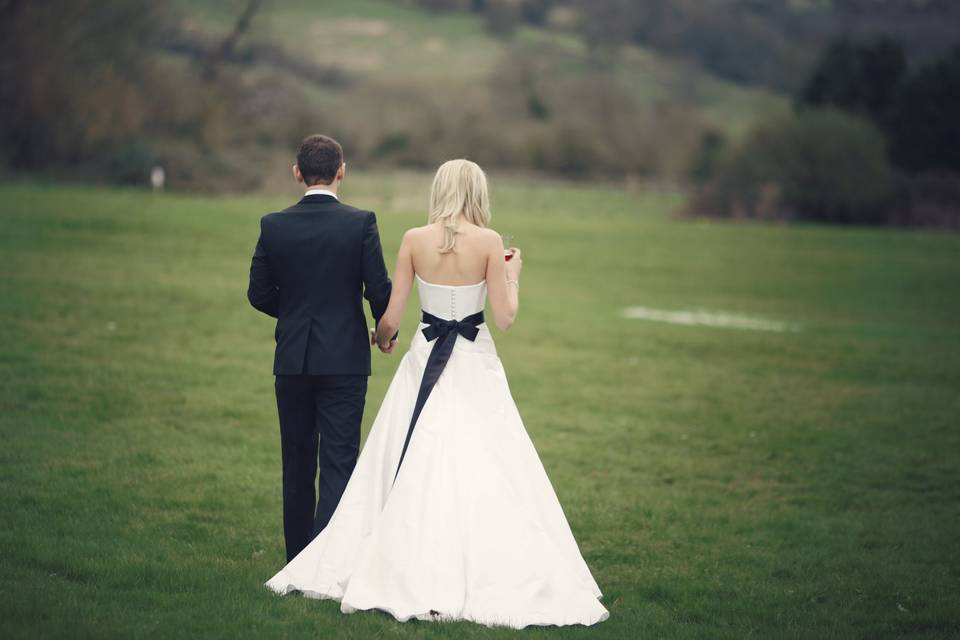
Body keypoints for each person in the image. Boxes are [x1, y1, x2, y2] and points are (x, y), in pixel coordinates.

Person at [265, 159, 608, 629]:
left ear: (439, 190)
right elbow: (505, 319)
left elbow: (392, 316)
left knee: (409, 458)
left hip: (423, 358)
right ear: (478, 193)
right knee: (486, 458)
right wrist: (512, 274)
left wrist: (382, 337)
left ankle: (393, 557)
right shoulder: (491, 243)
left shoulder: (413, 239)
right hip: (474, 362)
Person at [247, 134, 394, 563]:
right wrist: (382, 331)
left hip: (292, 360)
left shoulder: (273, 225)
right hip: (345, 359)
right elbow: (379, 290)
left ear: (297, 173)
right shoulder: (360, 222)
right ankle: (326, 562)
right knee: (338, 461)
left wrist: (293, 316)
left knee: (296, 463)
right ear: (342, 170)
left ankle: (297, 559)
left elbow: (258, 293)